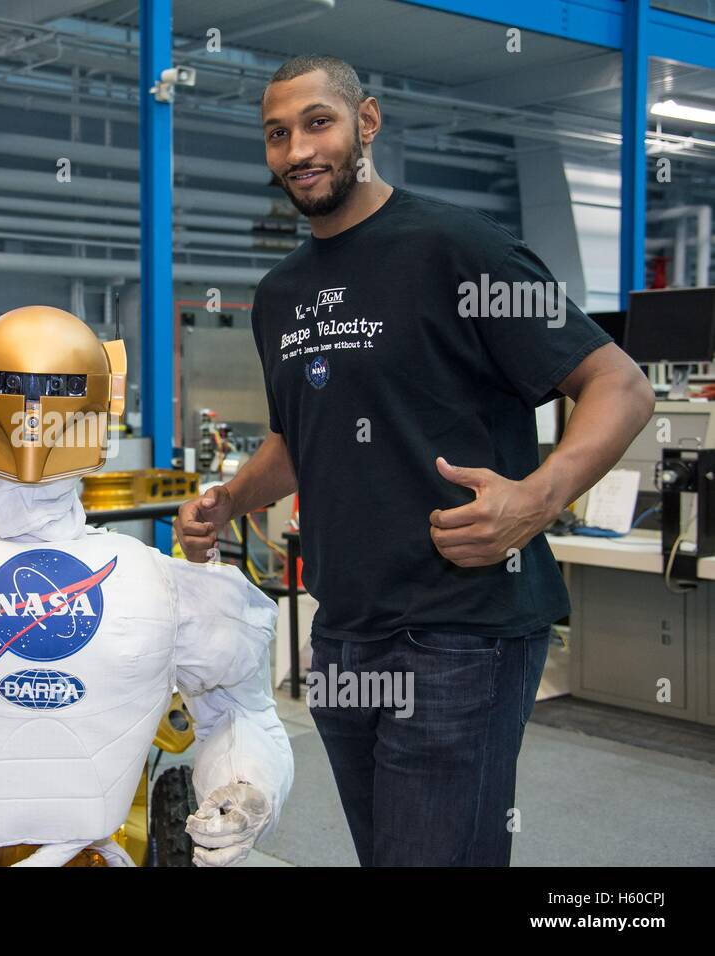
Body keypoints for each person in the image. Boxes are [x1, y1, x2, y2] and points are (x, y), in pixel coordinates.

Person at [175, 56, 655, 866]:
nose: (298, 149)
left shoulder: (459, 248)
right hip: (344, 630)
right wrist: (230, 497)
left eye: (317, 122)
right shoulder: (281, 293)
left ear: (367, 122)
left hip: (461, 627)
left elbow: (621, 384)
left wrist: (537, 501)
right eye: (277, 134)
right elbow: (302, 438)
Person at [0, 306, 293, 867]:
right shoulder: (158, 581)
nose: (33, 416)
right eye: (16, 390)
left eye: (50, 393)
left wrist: (245, 792)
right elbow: (240, 714)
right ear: (107, 407)